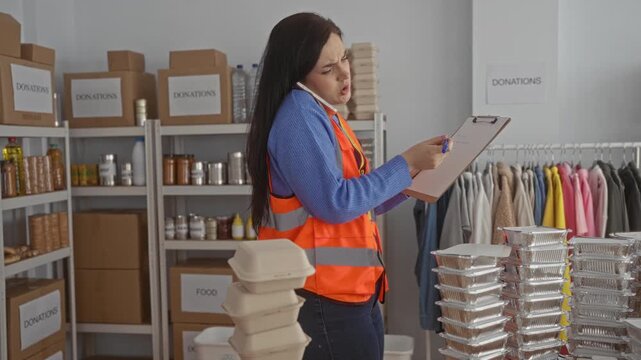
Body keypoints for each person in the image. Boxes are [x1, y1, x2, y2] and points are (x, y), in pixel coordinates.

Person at [246, 12, 451, 360]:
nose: (344, 72)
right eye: (328, 69)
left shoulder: (327, 115)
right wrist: (407, 162)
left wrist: (414, 176)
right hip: (324, 298)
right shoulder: (298, 117)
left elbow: (360, 201)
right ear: (297, 75)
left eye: (344, 58)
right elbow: (335, 203)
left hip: (352, 293)